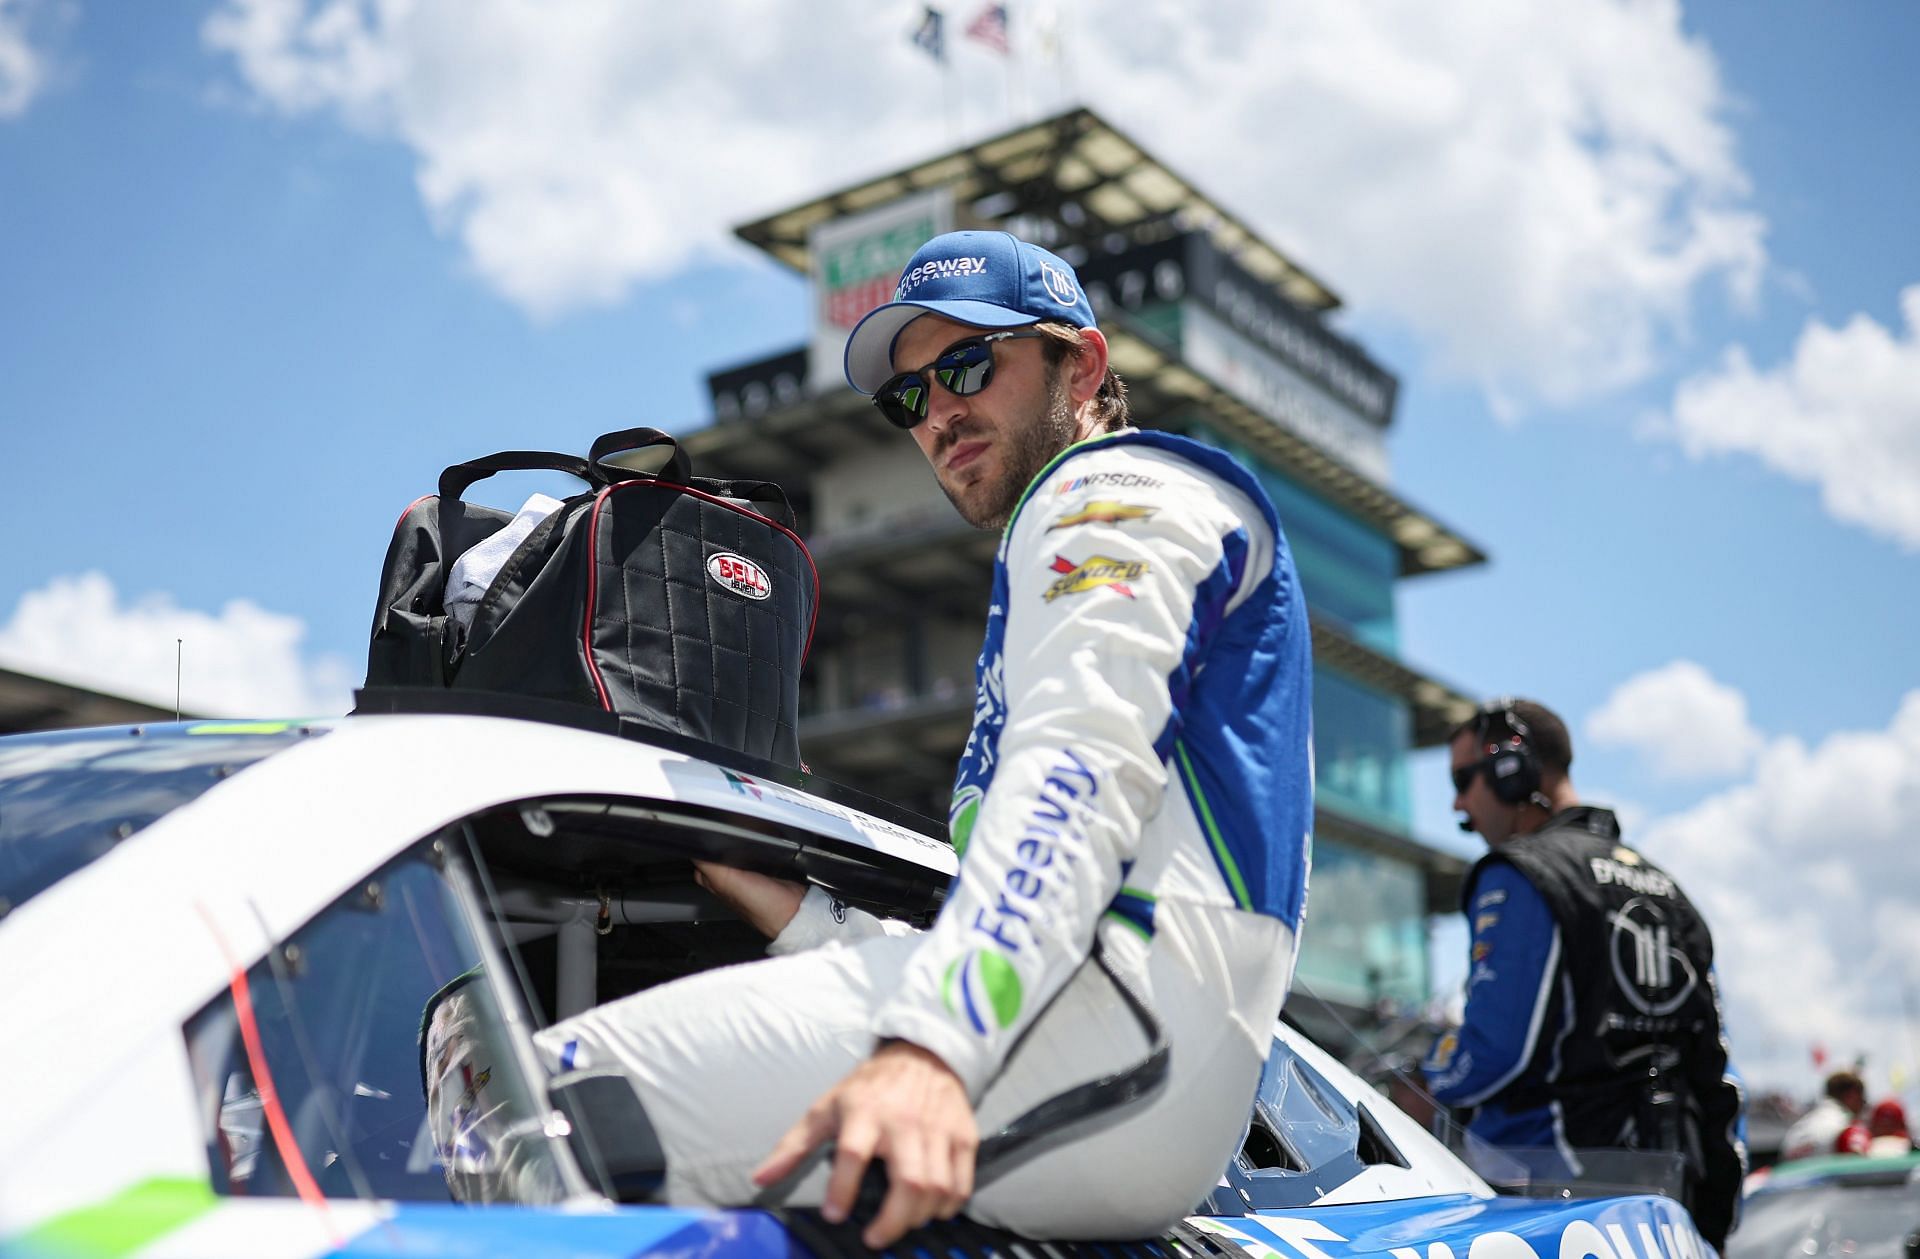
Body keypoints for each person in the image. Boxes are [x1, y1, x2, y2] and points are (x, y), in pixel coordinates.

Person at [479, 230, 1315, 1247]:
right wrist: (797, 914)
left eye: (969, 364)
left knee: (522, 1111)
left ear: (1082, 365)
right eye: (908, 396)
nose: (938, 412)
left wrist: (930, 1049)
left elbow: (1077, 776)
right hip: (1105, 1047)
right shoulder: (1056, 560)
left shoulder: (1113, 495)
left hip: (1118, 1036)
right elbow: (998, 917)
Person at [1421, 698, 1745, 1250]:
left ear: (1510, 767)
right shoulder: (1671, 890)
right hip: (1670, 1217)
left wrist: (1426, 1076)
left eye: (1462, 779)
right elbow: (1719, 1075)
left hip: (1549, 1213)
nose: (1458, 805)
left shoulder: (1522, 874)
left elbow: (1494, 1052)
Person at [1779, 1069, 1865, 1161]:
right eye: (1862, 1099)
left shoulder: (1794, 1133)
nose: (1863, 1104)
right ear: (1852, 1095)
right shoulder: (1849, 1130)